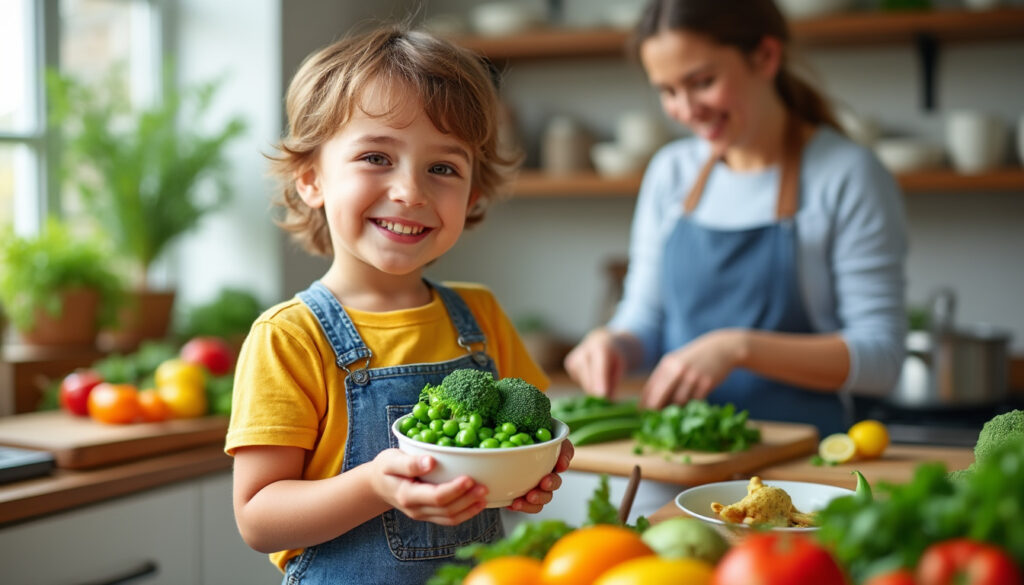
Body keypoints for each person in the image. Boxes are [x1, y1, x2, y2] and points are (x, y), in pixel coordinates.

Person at [226, 25, 573, 584]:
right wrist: (372, 486)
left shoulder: (481, 317)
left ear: (473, 195)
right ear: (312, 179)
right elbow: (258, 519)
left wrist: (529, 476)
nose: (410, 191)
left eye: (443, 168)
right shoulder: (290, 336)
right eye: (375, 157)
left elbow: (522, 440)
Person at [564, 0, 908, 437]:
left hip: (806, 463)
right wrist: (614, 343)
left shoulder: (847, 175)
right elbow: (646, 318)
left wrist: (739, 348)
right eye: (667, 91)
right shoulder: (671, 173)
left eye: (702, 82)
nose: (686, 110)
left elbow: (881, 359)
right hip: (684, 453)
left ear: (765, 56)